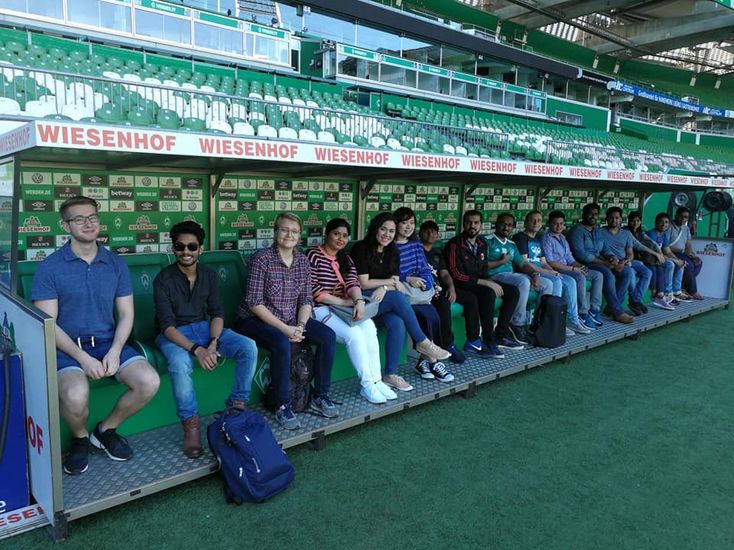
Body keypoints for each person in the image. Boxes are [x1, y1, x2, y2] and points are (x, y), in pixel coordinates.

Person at [31, 196, 160, 475]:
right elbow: (49, 324)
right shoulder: (50, 267)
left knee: (148, 381)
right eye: (79, 219)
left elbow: (126, 314)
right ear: (65, 225)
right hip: (66, 347)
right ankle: (79, 438)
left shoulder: (115, 263)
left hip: (107, 342)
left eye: (92, 217)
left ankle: (104, 431)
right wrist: (82, 358)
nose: (88, 224)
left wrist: (114, 350)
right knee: (76, 394)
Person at [153, 221, 258, 458]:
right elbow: (166, 327)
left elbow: (218, 313)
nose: (186, 252)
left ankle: (236, 406)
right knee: (180, 363)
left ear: (200, 249)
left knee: (247, 346)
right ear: (173, 248)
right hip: (173, 335)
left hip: (203, 329)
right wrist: (197, 350)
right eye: (180, 246)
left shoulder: (208, 275)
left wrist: (212, 342)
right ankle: (191, 426)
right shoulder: (163, 279)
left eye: (192, 246)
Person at [235, 213, 338, 431]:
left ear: (300, 236)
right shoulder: (262, 258)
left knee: (328, 336)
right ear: (275, 232)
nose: (288, 234)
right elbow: (254, 303)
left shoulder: (302, 261)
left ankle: (321, 394)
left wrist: (300, 326)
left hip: (292, 318)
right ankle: (283, 405)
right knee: (282, 341)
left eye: (294, 231)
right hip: (255, 320)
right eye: (284, 229)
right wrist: (285, 329)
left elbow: (306, 299)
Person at [350, 212, 451, 392]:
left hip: (382, 300)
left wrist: (386, 287)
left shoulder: (392, 250)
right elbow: (364, 282)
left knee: (397, 323)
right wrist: (389, 284)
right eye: (383, 229)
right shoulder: (361, 248)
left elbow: (396, 279)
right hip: (361, 300)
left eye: (391, 231)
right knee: (399, 297)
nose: (387, 234)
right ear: (375, 228)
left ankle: (390, 374)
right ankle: (422, 341)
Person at [306, 218, 398, 404]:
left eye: (345, 235)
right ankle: (367, 386)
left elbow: (353, 283)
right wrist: (344, 301)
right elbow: (313, 290)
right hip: (320, 309)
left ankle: (377, 380)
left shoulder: (345, 257)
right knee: (354, 334)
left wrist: (358, 301)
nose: (340, 238)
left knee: (369, 328)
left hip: (343, 307)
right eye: (336, 234)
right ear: (327, 234)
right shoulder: (312, 255)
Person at [444, 210, 523, 357]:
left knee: (513, 291)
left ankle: (501, 335)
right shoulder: (454, 244)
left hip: (479, 282)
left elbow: (484, 268)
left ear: (481, 225)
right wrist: (487, 283)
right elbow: (456, 275)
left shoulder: (481, 243)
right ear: (463, 224)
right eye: (469, 222)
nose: (472, 226)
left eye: (476, 223)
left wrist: (490, 281)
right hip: (462, 284)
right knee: (488, 293)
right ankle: (487, 340)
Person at [393, 207, 455, 383]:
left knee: (433, 317)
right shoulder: (390, 246)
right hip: (401, 291)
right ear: (396, 223)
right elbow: (391, 272)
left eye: (411, 223)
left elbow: (424, 269)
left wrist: (427, 284)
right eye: (404, 222)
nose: (408, 226)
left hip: (419, 292)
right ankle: (433, 362)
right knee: (421, 316)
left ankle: (424, 361)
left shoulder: (416, 245)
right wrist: (409, 278)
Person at [514, 210, 591, 334]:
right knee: (555, 281)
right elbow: (525, 264)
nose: (536, 223)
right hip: (529, 272)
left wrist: (553, 272)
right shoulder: (520, 238)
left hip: (542, 270)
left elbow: (544, 262)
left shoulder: (537, 239)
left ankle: (572, 320)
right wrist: (550, 273)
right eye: (532, 220)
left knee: (569, 280)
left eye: (539, 220)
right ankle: (552, 321)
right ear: (526, 222)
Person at [485, 212, 554, 344]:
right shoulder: (487, 240)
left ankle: (538, 324)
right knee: (523, 281)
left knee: (547, 284)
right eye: (503, 224)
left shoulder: (511, 244)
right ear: (496, 224)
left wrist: (534, 274)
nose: (506, 228)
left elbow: (522, 264)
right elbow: (480, 266)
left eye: (510, 225)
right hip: (494, 275)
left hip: (510, 275)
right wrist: (501, 262)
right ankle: (517, 324)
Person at [568, 203, 635, 324]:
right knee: (607, 273)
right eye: (590, 214)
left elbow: (604, 248)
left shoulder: (597, 231)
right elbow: (581, 255)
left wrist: (612, 257)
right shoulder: (577, 230)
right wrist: (605, 263)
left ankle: (613, 306)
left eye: (595, 214)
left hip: (600, 261)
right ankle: (617, 312)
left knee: (627, 272)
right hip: (583, 263)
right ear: (583, 215)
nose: (593, 216)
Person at [542, 210, 604, 329]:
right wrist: (573, 269)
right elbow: (550, 262)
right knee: (580, 277)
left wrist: (580, 266)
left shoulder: (563, 238)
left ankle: (594, 310)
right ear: (549, 224)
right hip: (558, 270)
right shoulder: (547, 238)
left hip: (569, 267)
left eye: (561, 223)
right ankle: (583, 313)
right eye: (555, 223)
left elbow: (570, 259)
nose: (559, 226)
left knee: (597, 275)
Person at [418, 220, 466, 363]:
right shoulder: (415, 249)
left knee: (452, 302)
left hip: (436, 288)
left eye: (433, 231)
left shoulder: (437, 252)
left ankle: (452, 344)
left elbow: (444, 274)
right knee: (438, 306)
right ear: (420, 233)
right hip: (421, 290)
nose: (430, 234)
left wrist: (451, 287)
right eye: (426, 230)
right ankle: (439, 347)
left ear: (438, 235)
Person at [599, 207, 653, 316]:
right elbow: (598, 252)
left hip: (624, 261)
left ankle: (634, 300)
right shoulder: (599, 232)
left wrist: (629, 259)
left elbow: (630, 252)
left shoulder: (626, 234)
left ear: (621, 219)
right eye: (611, 217)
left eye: (617, 218)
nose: (614, 220)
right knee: (629, 273)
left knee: (647, 272)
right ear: (607, 218)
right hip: (609, 262)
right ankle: (619, 305)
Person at [626, 211, 678, 311]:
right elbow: (639, 246)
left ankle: (660, 295)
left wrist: (659, 252)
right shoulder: (626, 232)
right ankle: (649, 296)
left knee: (658, 267)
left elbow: (653, 243)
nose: (635, 223)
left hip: (641, 260)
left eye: (638, 220)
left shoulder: (641, 232)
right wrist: (656, 254)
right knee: (641, 272)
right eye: (633, 220)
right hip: (632, 260)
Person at [646, 212, 690, 304]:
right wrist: (675, 261)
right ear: (655, 222)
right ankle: (668, 293)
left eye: (666, 222)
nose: (664, 224)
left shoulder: (663, 235)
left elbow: (668, 251)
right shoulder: (651, 234)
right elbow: (658, 254)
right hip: (651, 259)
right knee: (670, 264)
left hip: (659, 258)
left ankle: (677, 292)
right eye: (661, 222)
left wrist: (679, 260)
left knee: (681, 263)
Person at [666, 207, 703, 300]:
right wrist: (681, 254)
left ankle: (684, 284)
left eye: (685, 217)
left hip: (682, 253)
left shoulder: (686, 228)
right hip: (670, 253)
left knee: (698, 263)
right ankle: (693, 291)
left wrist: (693, 256)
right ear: (676, 215)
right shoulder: (669, 227)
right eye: (681, 216)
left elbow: (688, 245)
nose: (683, 219)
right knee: (689, 265)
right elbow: (665, 246)